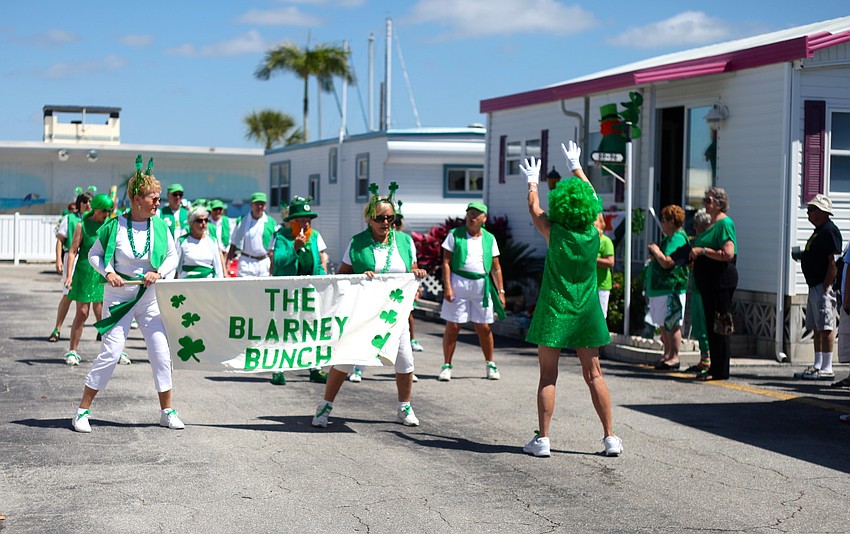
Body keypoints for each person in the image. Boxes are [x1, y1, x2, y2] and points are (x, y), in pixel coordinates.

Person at [518, 143, 622, 458]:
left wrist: (532, 182)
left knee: (548, 376)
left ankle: (543, 440)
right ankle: (610, 438)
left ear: (562, 205)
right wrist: (576, 166)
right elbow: (593, 199)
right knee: (594, 374)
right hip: (587, 310)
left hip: (555, 310)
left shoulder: (554, 231)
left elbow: (534, 208)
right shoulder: (595, 233)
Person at [72, 155, 183, 433]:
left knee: (161, 353)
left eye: (159, 198)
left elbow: (172, 256)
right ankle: (81, 412)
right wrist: (108, 272)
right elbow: (94, 255)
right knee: (111, 352)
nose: (159, 202)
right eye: (153, 198)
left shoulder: (161, 226)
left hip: (149, 299)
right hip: (119, 299)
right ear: (137, 200)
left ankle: (167, 411)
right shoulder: (113, 226)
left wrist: (159, 273)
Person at [312, 183, 428, 428]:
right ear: (369, 219)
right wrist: (358, 276)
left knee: (405, 360)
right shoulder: (357, 243)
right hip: (363, 312)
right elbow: (342, 277)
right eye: (380, 218)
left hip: (395, 313)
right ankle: (325, 406)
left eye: (390, 218)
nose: (386, 223)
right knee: (345, 359)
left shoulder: (406, 242)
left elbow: (411, 270)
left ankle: (404, 407)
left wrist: (416, 274)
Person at [438, 202, 506, 382]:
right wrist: (448, 286)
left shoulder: (490, 238)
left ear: (484, 218)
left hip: (481, 285)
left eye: (476, 214)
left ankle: (490, 363)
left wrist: (501, 291)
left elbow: (496, 268)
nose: (472, 217)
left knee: (483, 327)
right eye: (469, 213)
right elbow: (446, 262)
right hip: (459, 282)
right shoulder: (454, 235)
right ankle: (447, 365)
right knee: (453, 326)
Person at [268, 196, 329, 386]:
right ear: (292, 221)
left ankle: (314, 367)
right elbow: (277, 262)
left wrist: (322, 284)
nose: (306, 223)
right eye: (302, 220)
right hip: (288, 291)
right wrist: (295, 247)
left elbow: (318, 263)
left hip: (309, 290)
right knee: (285, 328)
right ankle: (278, 369)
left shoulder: (316, 236)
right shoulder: (282, 237)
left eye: (308, 220)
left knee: (312, 327)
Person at [63, 194, 128, 366]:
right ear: (95, 209)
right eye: (104, 211)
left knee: (103, 314)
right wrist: (68, 275)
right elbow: (72, 251)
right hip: (84, 273)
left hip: (102, 273)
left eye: (109, 211)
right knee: (82, 313)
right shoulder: (81, 225)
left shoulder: (109, 225)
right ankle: (73, 351)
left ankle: (115, 351)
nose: (107, 214)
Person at [689, 187, 738, 381]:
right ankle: (714, 367)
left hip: (721, 280)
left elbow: (728, 253)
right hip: (708, 282)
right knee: (711, 325)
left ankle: (720, 370)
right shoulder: (712, 224)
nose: (705, 203)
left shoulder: (725, 223)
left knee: (720, 324)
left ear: (719, 203)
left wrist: (702, 251)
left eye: (708, 200)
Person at [793, 194, 842, 381]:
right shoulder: (819, 231)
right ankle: (817, 364)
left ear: (822, 212)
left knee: (826, 326)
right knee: (816, 326)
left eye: (812, 209)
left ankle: (827, 367)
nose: (808, 212)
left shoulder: (829, 231)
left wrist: (827, 286)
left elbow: (833, 262)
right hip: (814, 285)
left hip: (822, 286)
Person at [646, 205, 690, 370]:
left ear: (672, 221)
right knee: (663, 323)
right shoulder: (669, 237)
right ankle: (667, 353)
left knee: (672, 323)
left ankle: (674, 356)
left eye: (664, 220)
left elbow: (667, 262)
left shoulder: (678, 238)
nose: (662, 223)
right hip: (661, 288)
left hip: (671, 288)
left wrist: (656, 251)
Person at [50, 192, 92, 342]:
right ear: (79, 203)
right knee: (68, 294)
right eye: (85, 202)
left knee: (94, 298)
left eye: (90, 202)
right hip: (72, 258)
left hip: (87, 261)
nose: (88, 205)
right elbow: (60, 241)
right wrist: (58, 260)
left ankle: (100, 331)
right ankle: (57, 328)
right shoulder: (70, 218)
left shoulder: (95, 220)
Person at [226, 192, 276, 278]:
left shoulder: (271, 222)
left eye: (262, 204)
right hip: (246, 262)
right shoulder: (242, 220)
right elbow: (233, 244)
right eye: (257, 204)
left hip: (264, 263)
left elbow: (273, 249)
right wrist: (227, 263)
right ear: (251, 205)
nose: (259, 207)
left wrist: (273, 266)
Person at [686, 209, 712, 373]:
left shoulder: (708, 239)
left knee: (704, 324)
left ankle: (708, 359)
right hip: (696, 285)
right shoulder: (698, 239)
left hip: (704, 287)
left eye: (696, 225)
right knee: (697, 325)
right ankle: (703, 358)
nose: (694, 228)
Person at [175, 206, 225, 279]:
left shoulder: (212, 241)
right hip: (186, 283)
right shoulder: (182, 241)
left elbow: (218, 268)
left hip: (208, 283)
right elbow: (176, 267)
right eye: (199, 220)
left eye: (206, 220)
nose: (204, 223)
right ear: (191, 223)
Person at [595, 213, 615, 319]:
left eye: (594, 219)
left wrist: (593, 259)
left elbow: (611, 262)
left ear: (601, 223)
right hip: (587, 286)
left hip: (601, 286)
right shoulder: (585, 241)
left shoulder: (605, 241)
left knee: (600, 318)